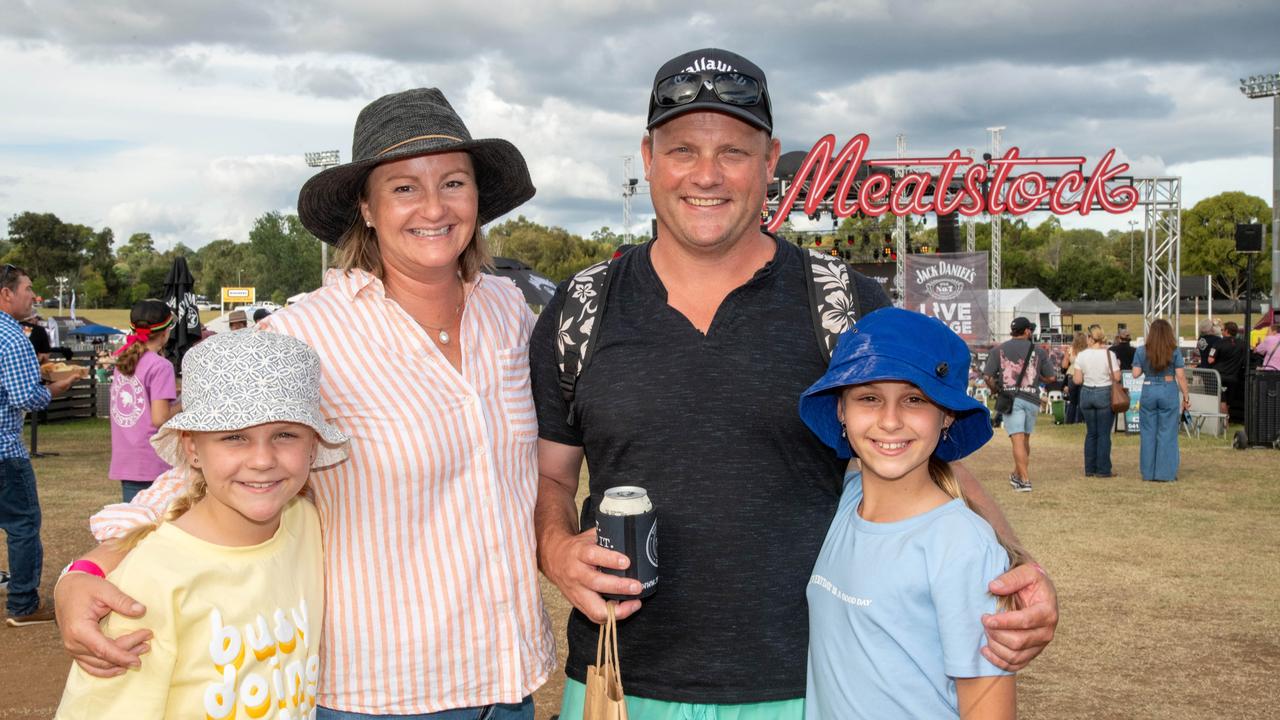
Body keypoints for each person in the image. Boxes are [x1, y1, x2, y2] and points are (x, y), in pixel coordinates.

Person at [533, 48, 1057, 720]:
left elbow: (937, 469)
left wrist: (1019, 570)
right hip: (617, 680)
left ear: (770, 159)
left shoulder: (842, 301)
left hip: (808, 687)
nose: (707, 175)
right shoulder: (583, 304)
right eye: (684, 150)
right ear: (648, 157)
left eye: (734, 152)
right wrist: (555, 549)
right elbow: (551, 479)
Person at [57, 89, 554, 718]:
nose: (433, 206)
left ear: (477, 199)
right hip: (381, 693)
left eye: (453, 182)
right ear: (366, 210)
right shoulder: (307, 334)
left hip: (511, 683)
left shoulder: (508, 312)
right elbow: (204, 470)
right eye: (403, 188)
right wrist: (88, 571)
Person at [55, 330, 347, 719]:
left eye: (285, 434)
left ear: (313, 445)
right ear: (192, 447)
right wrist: (77, 575)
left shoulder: (305, 524)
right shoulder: (149, 580)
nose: (262, 459)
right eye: (234, 437)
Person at [800, 307, 1019, 720]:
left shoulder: (962, 546)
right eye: (869, 398)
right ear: (840, 411)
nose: (889, 420)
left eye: (914, 399)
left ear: (947, 415)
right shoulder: (846, 502)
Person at [0, 265, 78, 626]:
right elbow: (24, 398)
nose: (34, 295)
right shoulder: (12, 336)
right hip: (4, 452)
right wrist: (57, 387)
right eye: (28, 289)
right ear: (7, 294)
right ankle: (23, 604)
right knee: (23, 525)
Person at [109, 300, 179, 502]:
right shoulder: (161, 366)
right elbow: (160, 417)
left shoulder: (123, 361)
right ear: (166, 332)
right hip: (152, 460)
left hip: (126, 458)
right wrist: (185, 404)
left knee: (136, 526)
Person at [983, 317, 1056, 492]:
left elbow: (987, 376)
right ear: (1027, 332)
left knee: (1017, 440)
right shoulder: (1038, 351)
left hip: (1011, 397)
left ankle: (1024, 480)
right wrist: (1036, 377)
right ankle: (1017, 475)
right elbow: (1051, 377)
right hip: (1032, 398)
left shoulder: (999, 350)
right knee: (1024, 440)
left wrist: (994, 390)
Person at [1132, 319, 1189, 482]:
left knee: (1148, 433)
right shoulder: (1175, 351)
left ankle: (1148, 473)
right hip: (1168, 387)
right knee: (1167, 432)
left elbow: (1135, 373)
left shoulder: (1142, 350)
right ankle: (1165, 473)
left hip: (1149, 389)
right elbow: (1181, 376)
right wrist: (1186, 396)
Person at [1073, 325, 1122, 478]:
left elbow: (1077, 379)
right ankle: (1103, 469)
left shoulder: (1081, 356)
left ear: (1090, 338)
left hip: (1087, 393)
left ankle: (1090, 468)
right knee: (1103, 434)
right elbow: (1117, 377)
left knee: (1091, 433)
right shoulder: (1109, 355)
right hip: (1104, 392)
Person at [1207, 321, 1246, 421]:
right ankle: (1226, 420)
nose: (1221, 331)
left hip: (1220, 377)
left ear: (1227, 331)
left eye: (1222, 330)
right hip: (1234, 377)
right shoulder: (1242, 344)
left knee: (1222, 401)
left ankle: (1225, 424)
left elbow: (1210, 360)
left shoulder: (1218, 343)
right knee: (1228, 402)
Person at [1062, 331, 1088, 424]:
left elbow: (1064, 365)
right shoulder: (1088, 350)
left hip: (1072, 375)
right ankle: (1080, 421)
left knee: (1072, 401)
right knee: (1081, 401)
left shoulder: (1070, 349)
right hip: (1084, 375)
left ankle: (1069, 421)